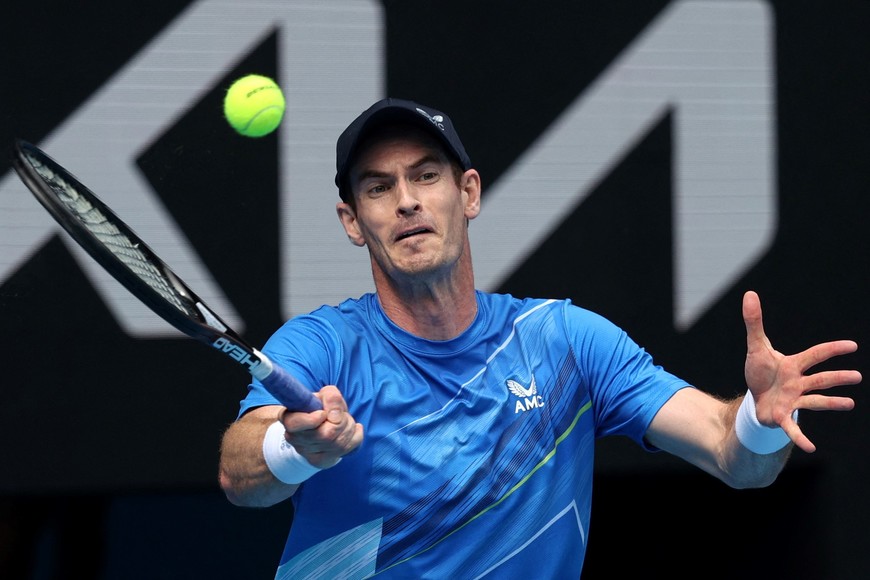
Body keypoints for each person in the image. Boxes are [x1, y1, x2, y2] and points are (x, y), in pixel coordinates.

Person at [218, 97, 861, 579]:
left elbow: (734, 458)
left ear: (468, 192)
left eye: (427, 176)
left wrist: (761, 420)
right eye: (378, 188)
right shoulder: (325, 344)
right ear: (352, 222)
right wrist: (295, 447)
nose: (407, 201)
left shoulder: (564, 341)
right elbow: (239, 472)